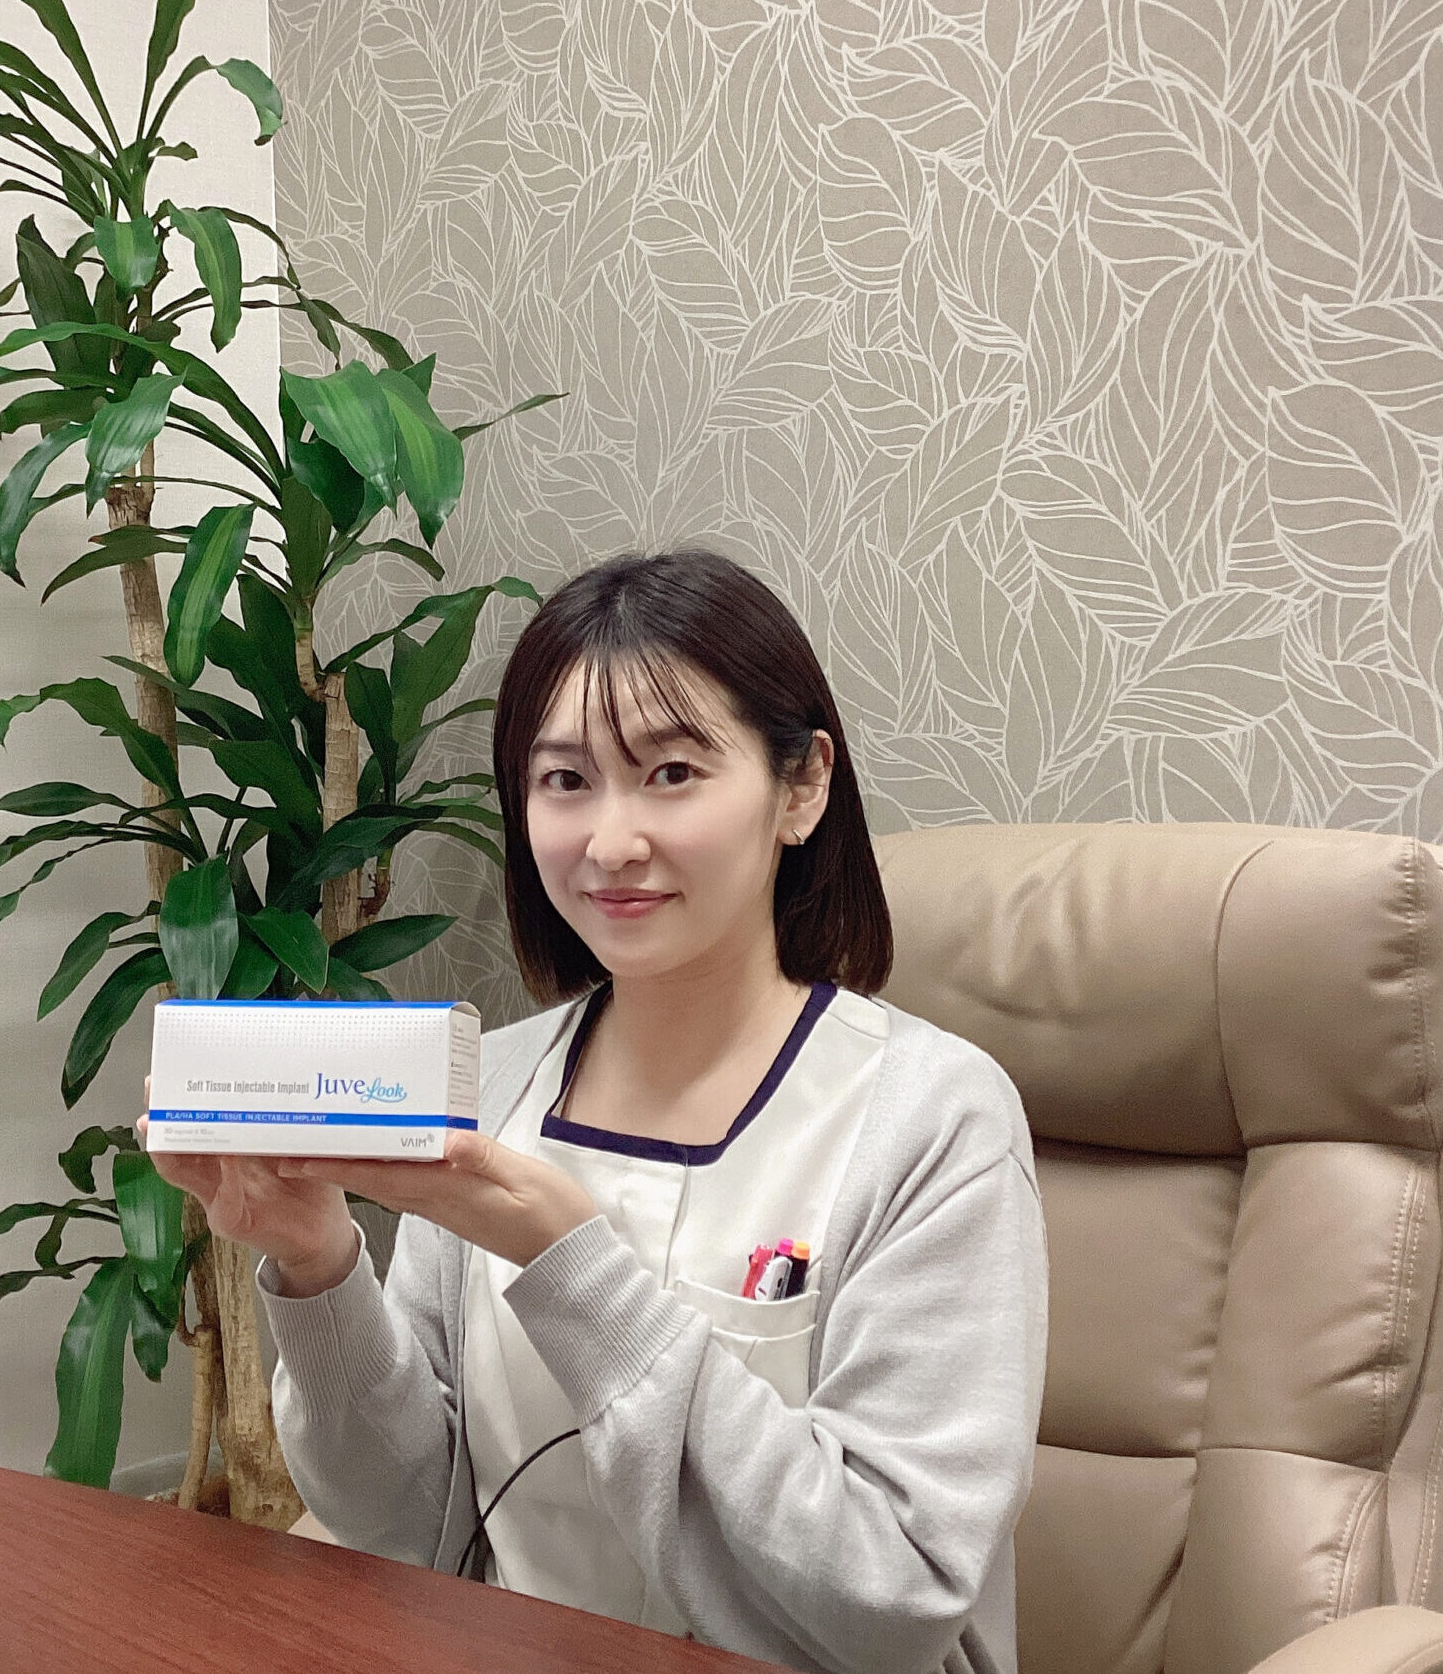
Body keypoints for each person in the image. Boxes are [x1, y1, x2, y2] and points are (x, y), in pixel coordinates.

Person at [143, 550, 1047, 1674]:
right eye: (565, 780)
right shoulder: (493, 1090)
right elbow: (408, 1529)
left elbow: (894, 1597)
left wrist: (569, 1261)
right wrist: (317, 1262)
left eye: (671, 772)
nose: (610, 843)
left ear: (802, 786)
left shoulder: (932, 1119)